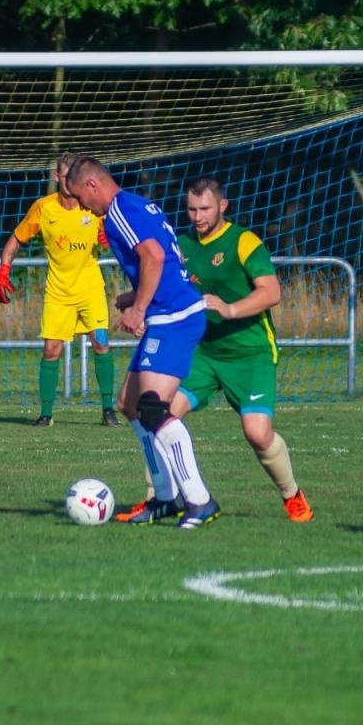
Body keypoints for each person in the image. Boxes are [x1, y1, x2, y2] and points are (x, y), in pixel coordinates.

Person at [115, 177, 312, 523]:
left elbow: (271, 291)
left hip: (248, 353)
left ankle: (292, 495)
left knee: (257, 433)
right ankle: (160, 498)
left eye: (204, 208)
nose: (197, 216)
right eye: (191, 209)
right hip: (201, 353)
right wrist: (135, 301)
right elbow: (168, 284)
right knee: (155, 412)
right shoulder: (183, 244)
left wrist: (231, 308)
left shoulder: (243, 242)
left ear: (223, 206)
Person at [66, 157, 219, 528]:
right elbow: (162, 260)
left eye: (79, 198)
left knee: (152, 408)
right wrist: (134, 297)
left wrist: (140, 308)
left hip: (174, 317)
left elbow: (153, 255)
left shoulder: (119, 209)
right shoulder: (135, 204)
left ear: (92, 186)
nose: (82, 207)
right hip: (168, 312)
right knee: (129, 404)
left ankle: (199, 500)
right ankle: (165, 498)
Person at [0, 152, 120, 426]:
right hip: (58, 290)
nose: (71, 181)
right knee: (51, 349)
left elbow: (116, 237)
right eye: (66, 176)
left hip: (90, 287)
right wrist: (3, 270)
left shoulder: (92, 205)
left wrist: (107, 235)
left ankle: (108, 409)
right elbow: (16, 238)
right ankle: (46, 413)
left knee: (100, 342)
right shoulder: (44, 208)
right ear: (57, 177)